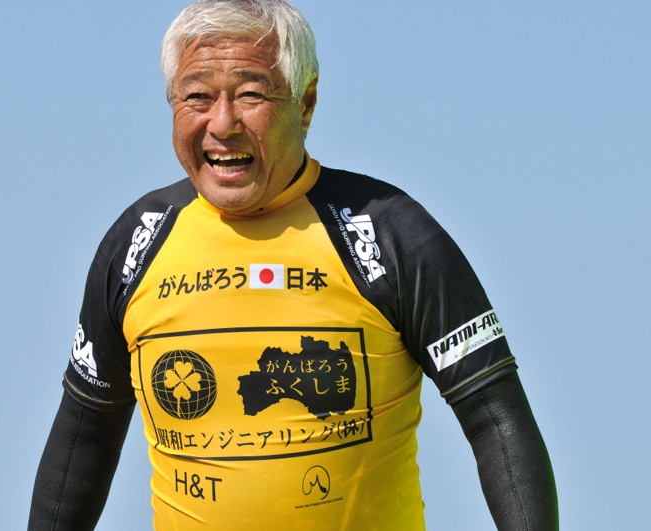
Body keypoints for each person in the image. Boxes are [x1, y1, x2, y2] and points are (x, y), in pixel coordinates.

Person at [29, 0, 558, 529]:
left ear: (305, 104)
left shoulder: (388, 229)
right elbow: (84, 434)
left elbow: (494, 415)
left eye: (251, 94)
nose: (222, 123)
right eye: (197, 96)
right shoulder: (137, 241)